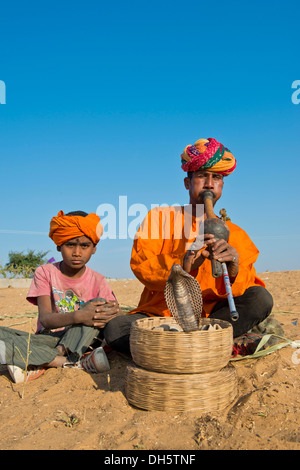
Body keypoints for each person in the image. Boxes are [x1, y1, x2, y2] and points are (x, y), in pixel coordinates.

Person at [104, 137, 273, 355]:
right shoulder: (159, 218)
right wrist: (184, 263)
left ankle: (180, 348)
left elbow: (244, 287)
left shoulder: (236, 232)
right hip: (162, 315)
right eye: (202, 176)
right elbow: (142, 268)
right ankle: (208, 346)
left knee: (260, 298)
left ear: (222, 185)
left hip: (211, 316)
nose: (210, 184)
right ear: (187, 183)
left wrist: (233, 267)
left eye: (217, 178)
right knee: (116, 330)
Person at [0, 210, 122, 383]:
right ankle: (68, 362)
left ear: (94, 248)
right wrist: (79, 316)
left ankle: (44, 360)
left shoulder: (99, 280)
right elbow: (46, 319)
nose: (77, 252)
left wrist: (112, 312)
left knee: (98, 305)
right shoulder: (45, 272)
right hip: (48, 337)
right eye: (70, 245)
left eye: (85, 246)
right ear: (59, 245)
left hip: (81, 339)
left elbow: (110, 315)